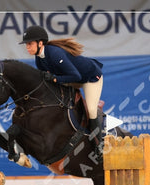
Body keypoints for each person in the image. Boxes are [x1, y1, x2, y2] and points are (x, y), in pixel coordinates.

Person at [19, 25, 104, 158]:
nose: (27, 47)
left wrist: (54, 79)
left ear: (40, 43)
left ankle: (100, 145)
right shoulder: (39, 59)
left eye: (30, 44)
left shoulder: (54, 53)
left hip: (90, 77)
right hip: (71, 78)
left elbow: (76, 76)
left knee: (92, 110)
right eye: (26, 44)